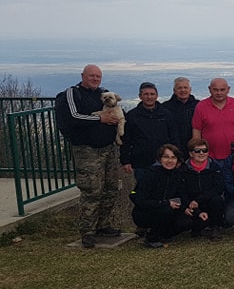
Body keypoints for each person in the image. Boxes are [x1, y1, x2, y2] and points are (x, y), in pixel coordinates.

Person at [55, 64, 122, 248]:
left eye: (98, 76)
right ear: (83, 76)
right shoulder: (72, 94)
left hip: (109, 148)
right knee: (92, 190)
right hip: (87, 150)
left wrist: (115, 120)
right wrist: (100, 118)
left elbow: (117, 111)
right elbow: (71, 117)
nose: (95, 79)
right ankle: (88, 231)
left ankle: (103, 225)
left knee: (111, 188)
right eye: (91, 76)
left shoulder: (103, 93)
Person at [129, 144, 192, 248]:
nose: (169, 161)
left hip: (168, 211)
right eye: (166, 157)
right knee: (166, 210)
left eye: (173, 157)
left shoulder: (178, 175)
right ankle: (151, 239)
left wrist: (185, 208)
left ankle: (162, 234)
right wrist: (164, 203)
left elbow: (182, 195)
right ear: (160, 158)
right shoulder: (150, 174)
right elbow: (138, 199)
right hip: (145, 212)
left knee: (186, 222)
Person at [120, 82, 176, 183]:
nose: (149, 97)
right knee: (143, 189)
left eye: (152, 94)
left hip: (164, 161)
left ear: (157, 96)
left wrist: (177, 157)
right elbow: (126, 140)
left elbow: (174, 137)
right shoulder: (132, 116)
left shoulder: (166, 114)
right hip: (141, 162)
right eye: (146, 94)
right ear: (140, 96)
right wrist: (125, 161)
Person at [180, 137, 225, 240]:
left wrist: (198, 200)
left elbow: (219, 188)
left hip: (208, 202)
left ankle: (215, 227)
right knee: (184, 223)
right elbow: (182, 191)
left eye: (204, 150)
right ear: (191, 153)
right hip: (191, 205)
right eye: (197, 151)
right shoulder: (183, 170)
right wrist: (192, 206)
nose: (201, 153)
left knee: (217, 200)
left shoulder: (215, 168)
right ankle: (197, 226)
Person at [191, 78, 234, 161]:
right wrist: (198, 152)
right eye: (215, 90)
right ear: (209, 89)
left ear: (228, 89)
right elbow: (196, 132)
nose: (219, 93)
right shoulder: (201, 106)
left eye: (222, 90)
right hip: (209, 157)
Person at [161, 77, 198, 154]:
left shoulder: (198, 106)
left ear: (190, 90)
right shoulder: (165, 108)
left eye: (185, 87)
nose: (183, 90)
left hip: (194, 148)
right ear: (174, 91)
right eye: (179, 88)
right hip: (172, 149)